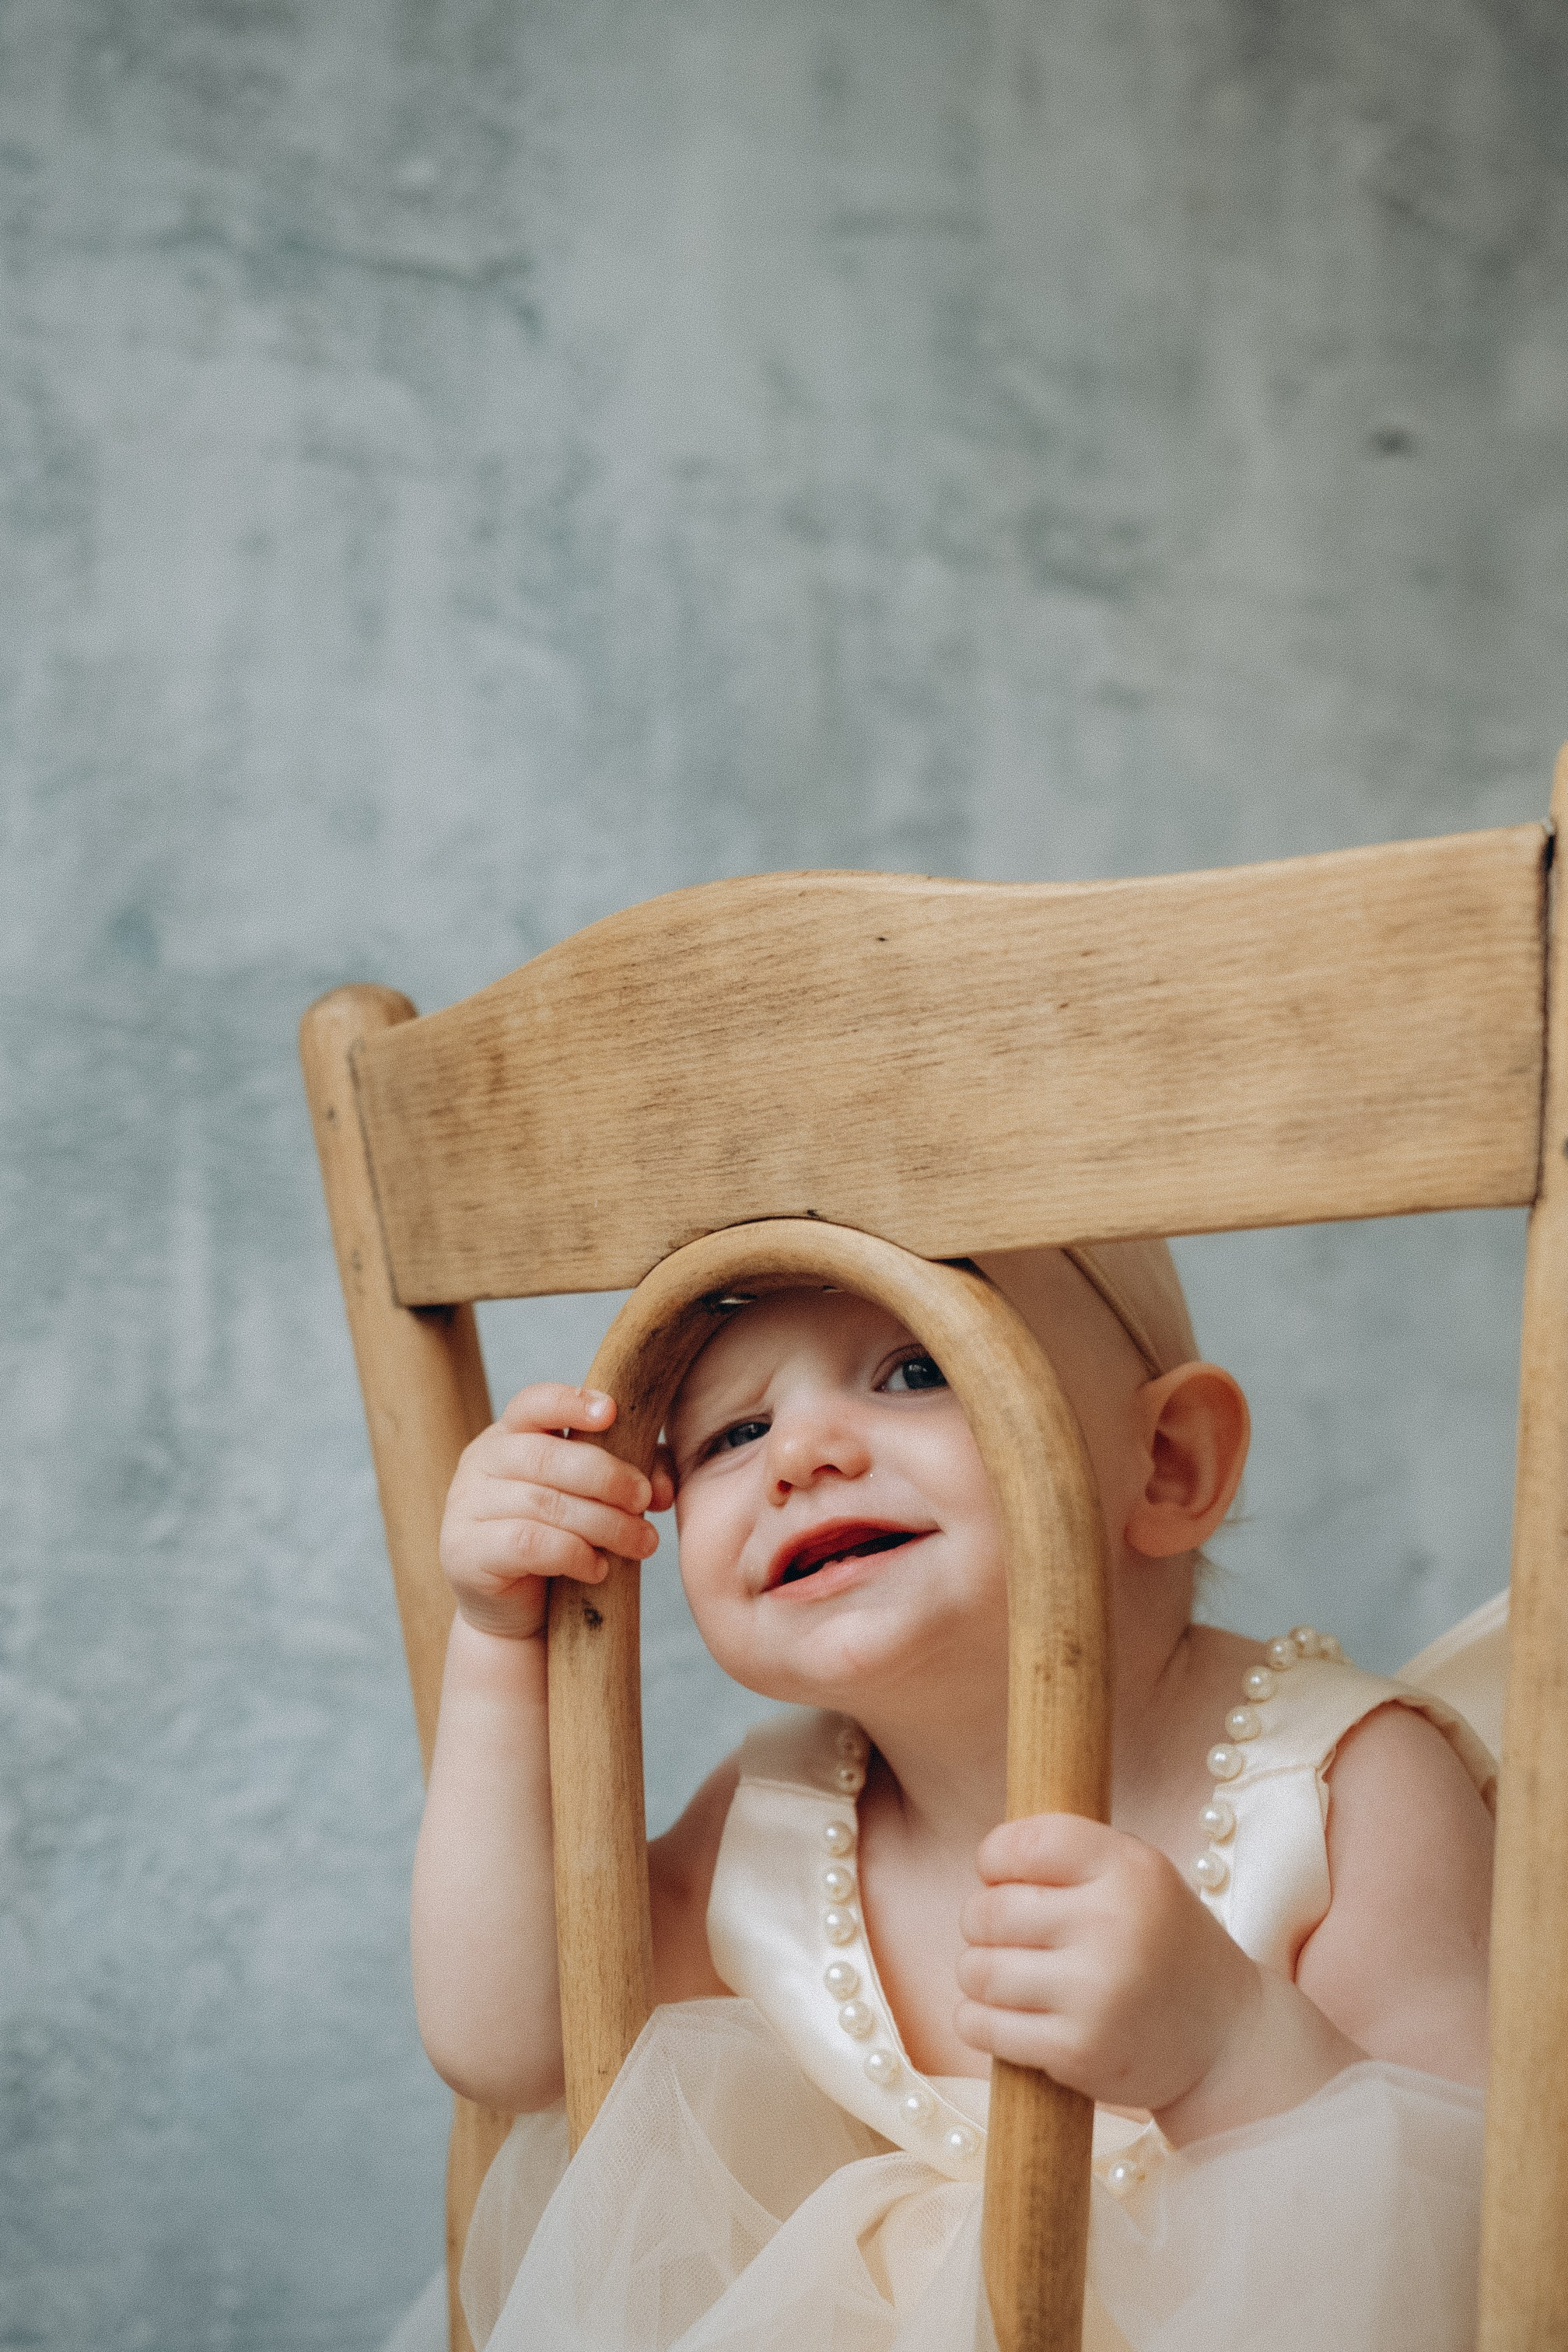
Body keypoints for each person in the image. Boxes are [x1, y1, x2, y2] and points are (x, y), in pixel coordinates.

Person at [410, 1241, 1497, 2352]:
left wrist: (1229, 2047)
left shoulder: (1346, 1789)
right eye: (733, 1433)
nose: (800, 1455)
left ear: (1167, 1463)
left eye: (916, 1372)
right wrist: (501, 1644)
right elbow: (516, 2039)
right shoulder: (777, 1819)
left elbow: (1473, 2242)